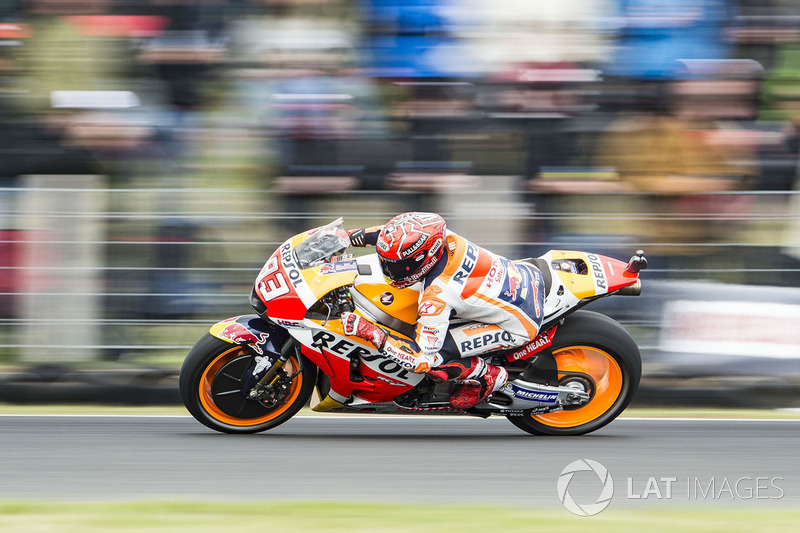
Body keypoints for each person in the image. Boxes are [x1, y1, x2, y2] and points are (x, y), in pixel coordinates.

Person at [340, 212, 545, 409]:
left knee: (436, 360)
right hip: (522, 277)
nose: (390, 270)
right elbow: (388, 234)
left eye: (400, 265)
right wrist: (344, 237)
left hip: (517, 323)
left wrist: (371, 332)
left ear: (423, 258)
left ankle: (488, 376)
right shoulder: (440, 236)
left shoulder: (438, 294)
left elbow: (421, 359)